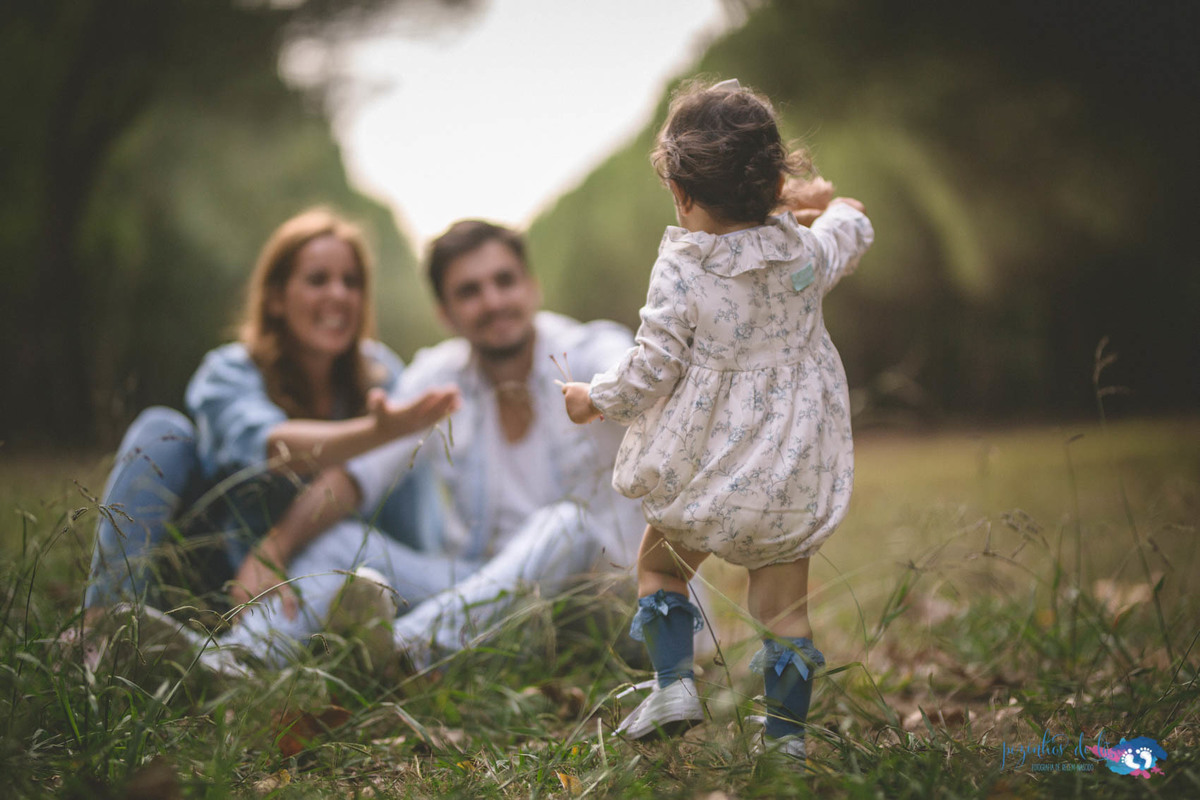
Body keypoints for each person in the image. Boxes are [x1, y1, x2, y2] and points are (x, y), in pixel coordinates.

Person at [561, 78, 874, 760]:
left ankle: (673, 686)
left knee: (663, 570)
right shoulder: (803, 254)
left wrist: (592, 399)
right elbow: (853, 225)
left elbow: (650, 367)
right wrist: (826, 203)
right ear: (774, 180)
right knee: (787, 614)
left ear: (679, 192)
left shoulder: (684, 267)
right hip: (790, 470)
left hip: (705, 470)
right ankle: (786, 740)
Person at [205, 219, 648, 670]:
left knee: (566, 526)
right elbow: (358, 476)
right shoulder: (439, 378)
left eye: (504, 281)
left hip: (607, 602)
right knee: (336, 543)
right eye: (469, 291)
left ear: (532, 288)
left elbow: (638, 370)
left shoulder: (588, 350)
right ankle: (229, 663)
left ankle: (397, 653)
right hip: (490, 599)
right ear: (445, 314)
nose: (493, 301)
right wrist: (274, 548)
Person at [82, 207, 461, 631]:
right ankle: (105, 624)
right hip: (228, 573)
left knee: (401, 451)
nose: (339, 294)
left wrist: (393, 434)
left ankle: (406, 603)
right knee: (161, 431)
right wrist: (376, 432)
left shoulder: (382, 374)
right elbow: (272, 450)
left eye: (351, 282)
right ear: (276, 298)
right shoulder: (228, 372)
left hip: (348, 563)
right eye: (318, 279)